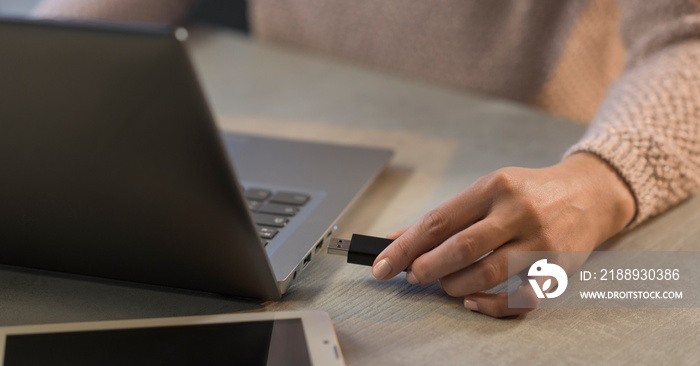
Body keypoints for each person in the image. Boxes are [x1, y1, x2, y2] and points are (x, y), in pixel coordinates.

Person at [33, 0, 700, 317]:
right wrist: (29, 69)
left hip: (519, 187)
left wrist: (603, 180)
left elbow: (688, 38)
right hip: (292, 130)